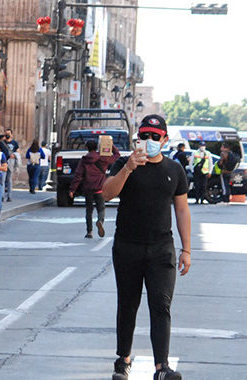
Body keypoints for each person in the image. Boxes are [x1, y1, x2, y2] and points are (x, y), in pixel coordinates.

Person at [102, 115, 191, 380]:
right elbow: (106, 193)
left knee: (161, 305)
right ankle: (123, 360)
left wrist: (187, 249)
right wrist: (128, 168)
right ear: (138, 138)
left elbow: (182, 209)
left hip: (162, 248)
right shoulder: (123, 163)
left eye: (155, 136)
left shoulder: (174, 170)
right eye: (145, 136)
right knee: (128, 304)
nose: (149, 141)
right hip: (128, 246)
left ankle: (161, 367)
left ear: (164, 139)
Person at [68, 139, 120, 239]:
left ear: (87, 148)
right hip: (100, 188)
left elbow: (78, 175)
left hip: (88, 188)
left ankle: (89, 232)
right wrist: (111, 145)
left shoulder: (84, 160)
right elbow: (117, 156)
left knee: (89, 210)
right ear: (97, 147)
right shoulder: (103, 158)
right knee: (101, 208)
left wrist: (72, 190)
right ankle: (100, 221)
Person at [4, 129, 20, 201]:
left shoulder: (15, 143)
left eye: (9, 133)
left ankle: (9, 196)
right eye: (6, 133)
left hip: (11, 162)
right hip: (3, 162)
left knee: (9, 179)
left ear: (11, 135)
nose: (7, 135)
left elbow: (18, 152)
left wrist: (14, 155)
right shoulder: (2, 143)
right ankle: (1, 196)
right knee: (2, 180)